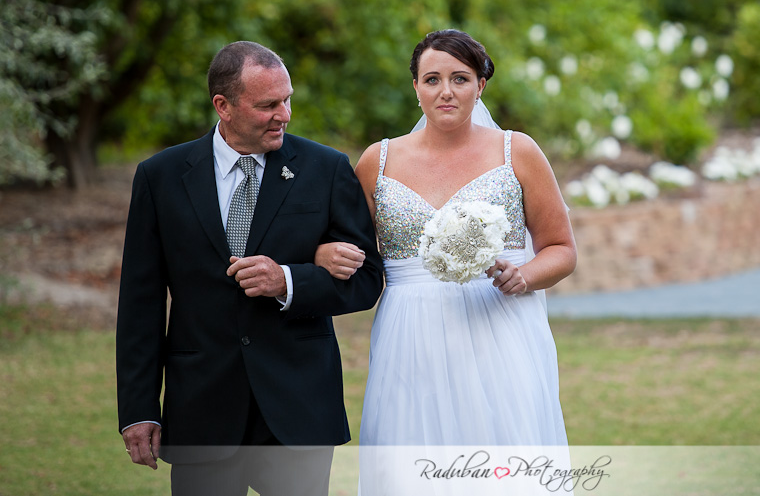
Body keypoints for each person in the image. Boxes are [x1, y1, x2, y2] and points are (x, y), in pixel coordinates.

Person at [116, 41, 384, 496]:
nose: (285, 114)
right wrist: (140, 409)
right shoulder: (159, 177)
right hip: (202, 407)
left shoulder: (327, 169)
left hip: (298, 408)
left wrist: (290, 280)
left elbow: (366, 280)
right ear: (223, 105)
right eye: (268, 105)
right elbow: (139, 303)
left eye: (287, 99)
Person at [315, 29, 577, 492]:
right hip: (408, 334)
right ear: (415, 87)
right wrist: (321, 252)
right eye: (432, 79)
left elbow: (561, 249)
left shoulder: (518, 152)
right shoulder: (378, 160)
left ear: (481, 85)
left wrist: (524, 274)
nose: (446, 91)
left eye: (460, 78)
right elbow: (346, 245)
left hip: (500, 326)